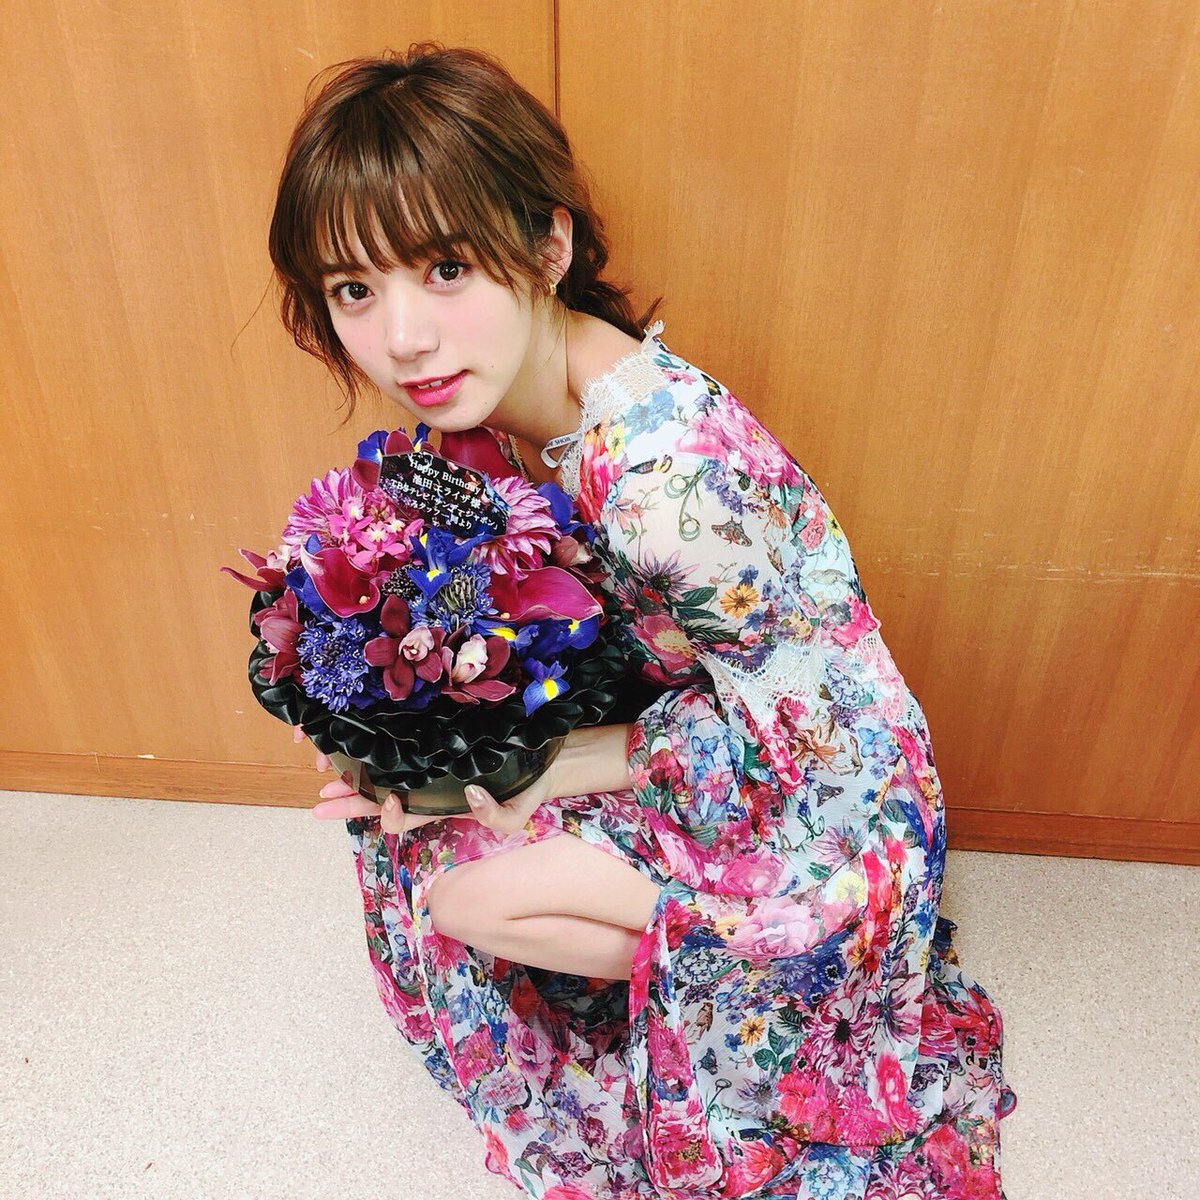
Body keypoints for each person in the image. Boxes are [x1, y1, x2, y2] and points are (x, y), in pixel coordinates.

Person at [269, 42, 1018, 1200]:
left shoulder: (663, 478)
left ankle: (738, 966)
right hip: (687, 713)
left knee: (465, 893)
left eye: (448, 267)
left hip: (820, 792)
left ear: (548, 246)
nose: (403, 337)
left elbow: (790, 741)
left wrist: (534, 774)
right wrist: (395, 734)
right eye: (354, 290)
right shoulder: (495, 408)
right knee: (411, 831)